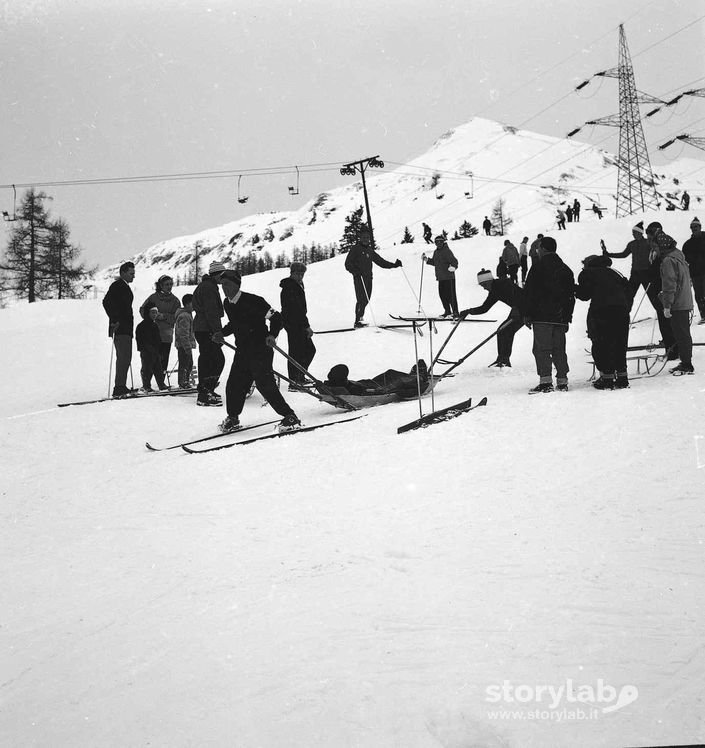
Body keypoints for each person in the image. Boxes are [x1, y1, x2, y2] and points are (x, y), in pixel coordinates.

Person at [212, 270, 301, 432]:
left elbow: (277, 318)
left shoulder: (254, 301)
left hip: (261, 349)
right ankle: (233, 418)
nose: (223, 288)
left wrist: (272, 335)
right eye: (222, 285)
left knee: (264, 384)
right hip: (243, 351)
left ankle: (290, 416)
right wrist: (222, 333)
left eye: (227, 284)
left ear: (236, 285)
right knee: (234, 385)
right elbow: (235, 323)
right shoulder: (228, 303)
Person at [603, 221, 675, 354]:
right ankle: (624, 316)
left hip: (647, 274)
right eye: (632, 233)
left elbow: (657, 253)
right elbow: (624, 254)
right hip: (635, 274)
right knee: (628, 297)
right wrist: (609, 254)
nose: (633, 235)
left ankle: (665, 325)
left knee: (654, 299)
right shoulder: (632, 244)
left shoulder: (649, 242)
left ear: (640, 233)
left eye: (635, 233)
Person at [523, 236, 575, 393]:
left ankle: (545, 382)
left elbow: (529, 293)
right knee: (559, 349)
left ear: (544, 249)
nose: (537, 251)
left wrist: (527, 314)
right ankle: (562, 381)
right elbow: (570, 296)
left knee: (542, 349)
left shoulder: (537, 268)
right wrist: (567, 317)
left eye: (538, 248)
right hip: (560, 318)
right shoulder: (565, 269)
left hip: (541, 316)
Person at [575, 255, 631, 390]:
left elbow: (585, 295)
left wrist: (575, 289)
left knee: (602, 344)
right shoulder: (614, 272)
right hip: (622, 311)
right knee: (620, 343)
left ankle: (607, 378)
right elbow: (628, 289)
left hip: (601, 312)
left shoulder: (588, 273)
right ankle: (622, 377)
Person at [649, 223, 695, 375]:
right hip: (685, 300)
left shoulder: (668, 261)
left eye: (655, 247)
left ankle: (687, 364)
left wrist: (667, 305)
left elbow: (669, 284)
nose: (654, 250)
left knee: (681, 334)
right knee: (683, 333)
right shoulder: (679, 255)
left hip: (677, 303)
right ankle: (685, 361)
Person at [459, 268, 526, 367]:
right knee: (502, 331)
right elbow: (484, 308)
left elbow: (519, 295)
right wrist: (468, 311)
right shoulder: (494, 291)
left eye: (484, 285)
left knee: (506, 331)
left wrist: (516, 307)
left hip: (526, 308)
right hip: (518, 309)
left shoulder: (503, 284)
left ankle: (504, 360)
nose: (484, 288)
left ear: (489, 281)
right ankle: (502, 359)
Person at [344, 225, 401, 328]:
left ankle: (361, 318)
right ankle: (357, 321)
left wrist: (394, 265)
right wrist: (355, 272)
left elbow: (381, 262)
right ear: (360, 237)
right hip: (359, 278)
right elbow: (347, 264)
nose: (366, 239)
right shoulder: (355, 249)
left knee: (366, 299)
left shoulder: (370, 251)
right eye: (364, 237)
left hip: (368, 278)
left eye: (367, 237)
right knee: (361, 299)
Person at [192, 261, 227, 406]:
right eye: (222, 275)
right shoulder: (209, 288)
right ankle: (205, 392)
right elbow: (211, 312)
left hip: (203, 327)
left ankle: (206, 390)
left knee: (210, 358)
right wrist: (217, 331)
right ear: (217, 275)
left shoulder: (208, 286)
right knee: (215, 359)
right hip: (206, 328)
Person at [280, 261, 316, 390]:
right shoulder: (291, 287)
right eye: (298, 273)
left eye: (302, 274)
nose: (300, 276)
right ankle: (295, 380)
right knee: (300, 352)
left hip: (294, 323)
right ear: (292, 273)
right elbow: (297, 310)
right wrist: (306, 326)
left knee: (302, 351)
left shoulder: (295, 285)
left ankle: (298, 377)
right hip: (295, 324)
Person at [102, 261, 135, 398]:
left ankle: (121, 385)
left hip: (125, 327)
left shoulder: (123, 286)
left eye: (134, 273)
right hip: (121, 327)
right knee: (123, 357)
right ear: (123, 273)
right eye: (131, 273)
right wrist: (115, 319)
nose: (133, 276)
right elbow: (106, 302)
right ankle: (119, 387)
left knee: (125, 357)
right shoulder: (118, 286)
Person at [139, 274, 180, 375]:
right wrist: (153, 317)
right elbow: (142, 310)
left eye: (171, 284)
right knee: (150, 359)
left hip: (166, 334)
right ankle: (147, 382)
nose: (169, 286)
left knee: (163, 360)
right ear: (161, 285)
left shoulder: (175, 300)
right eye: (167, 284)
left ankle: (161, 382)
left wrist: (164, 316)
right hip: (151, 334)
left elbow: (178, 317)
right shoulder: (153, 298)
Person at [322, 360, 429, 399]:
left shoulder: (334, 383)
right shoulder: (349, 389)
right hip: (375, 387)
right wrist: (380, 391)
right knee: (397, 379)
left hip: (369, 383)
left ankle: (412, 377)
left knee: (390, 373)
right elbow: (367, 393)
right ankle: (417, 377)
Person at [423, 235, 459, 317]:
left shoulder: (447, 251)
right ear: (435, 243)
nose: (439, 243)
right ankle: (447, 311)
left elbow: (454, 261)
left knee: (451, 296)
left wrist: (453, 267)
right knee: (442, 295)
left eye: (441, 241)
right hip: (441, 278)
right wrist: (427, 260)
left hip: (449, 277)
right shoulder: (436, 252)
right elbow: (435, 262)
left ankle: (455, 312)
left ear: (443, 242)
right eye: (437, 242)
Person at [135, 304, 168, 392]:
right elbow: (140, 339)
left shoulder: (155, 325)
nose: (154, 315)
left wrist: (159, 350)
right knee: (147, 368)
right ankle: (146, 385)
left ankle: (161, 384)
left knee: (158, 368)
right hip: (146, 351)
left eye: (156, 313)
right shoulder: (141, 326)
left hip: (155, 351)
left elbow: (158, 339)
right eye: (152, 312)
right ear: (147, 313)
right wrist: (146, 348)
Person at [682, 216, 705, 324]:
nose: (694, 228)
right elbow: (684, 262)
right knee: (699, 295)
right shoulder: (687, 245)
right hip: (695, 274)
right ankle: (704, 315)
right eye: (692, 227)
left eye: (696, 226)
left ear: (700, 227)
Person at [174, 293, 197, 389]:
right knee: (185, 364)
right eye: (193, 303)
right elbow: (183, 333)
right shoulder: (185, 316)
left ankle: (185, 381)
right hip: (184, 345)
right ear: (187, 304)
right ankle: (183, 382)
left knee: (188, 363)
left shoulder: (188, 315)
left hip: (185, 344)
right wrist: (187, 346)